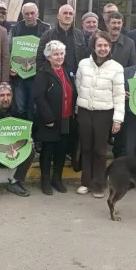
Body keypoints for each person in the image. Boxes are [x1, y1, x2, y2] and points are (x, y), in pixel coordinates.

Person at [76, 31, 125, 198]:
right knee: (86, 148)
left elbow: (119, 95)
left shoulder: (117, 68)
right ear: (94, 47)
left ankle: (98, 185)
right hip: (84, 112)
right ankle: (85, 182)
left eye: (106, 45)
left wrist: (117, 119)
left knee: (100, 150)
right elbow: (79, 85)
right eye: (99, 45)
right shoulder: (83, 64)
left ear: (110, 47)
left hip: (104, 114)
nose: (102, 48)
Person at [33, 40, 78, 195]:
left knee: (61, 150)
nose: (59, 57)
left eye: (61, 54)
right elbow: (39, 97)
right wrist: (48, 118)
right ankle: (45, 181)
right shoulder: (43, 72)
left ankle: (57, 179)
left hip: (66, 118)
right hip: (50, 119)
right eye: (55, 54)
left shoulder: (68, 70)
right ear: (48, 56)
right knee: (48, 151)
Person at [0, 84, 34, 197]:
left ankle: (16, 182)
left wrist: (29, 140)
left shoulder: (19, 115)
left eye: (8, 95)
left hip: (14, 152)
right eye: (2, 95)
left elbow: (25, 134)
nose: (6, 98)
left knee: (30, 151)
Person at [9, 2, 51, 119]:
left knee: (35, 107)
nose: (30, 16)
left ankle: (34, 135)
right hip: (19, 75)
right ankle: (22, 134)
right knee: (20, 107)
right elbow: (10, 49)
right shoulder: (16, 28)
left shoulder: (46, 29)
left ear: (37, 13)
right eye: (26, 13)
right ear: (23, 15)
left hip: (38, 75)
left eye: (32, 13)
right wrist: (10, 67)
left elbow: (49, 51)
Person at [36, 4, 88, 80]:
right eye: (65, 13)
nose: (68, 16)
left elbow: (83, 57)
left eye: (70, 14)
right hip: (54, 79)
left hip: (75, 78)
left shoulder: (79, 35)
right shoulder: (48, 35)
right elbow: (40, 59)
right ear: (58, 16)